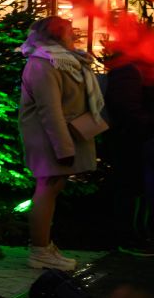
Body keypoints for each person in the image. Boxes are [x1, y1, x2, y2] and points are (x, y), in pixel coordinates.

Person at [19, 16, 107, 270]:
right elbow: (50, 111)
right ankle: (40, 250)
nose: (74, 35)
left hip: (59, 136)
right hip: (50, 138)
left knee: (52, 188)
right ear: (56, 36)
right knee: (47, 189)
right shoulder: (43, 64)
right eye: (69, 32)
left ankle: (44, 246)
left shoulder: (62, 61)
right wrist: (64, 149)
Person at [102, 50, 154, 252]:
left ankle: (138, 234)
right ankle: (129, 237)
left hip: (139, 141)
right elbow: (126, 109)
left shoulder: (139, 70)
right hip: (132, 143)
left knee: (138, 189)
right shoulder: (129, 71)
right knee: (131, 188)